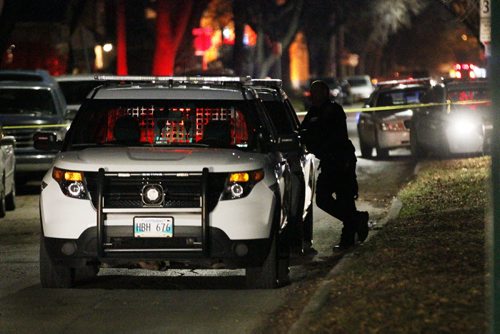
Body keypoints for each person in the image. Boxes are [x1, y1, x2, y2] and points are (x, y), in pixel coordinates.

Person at [301, 80, 369, 250]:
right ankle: (356, 220)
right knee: (323, 199)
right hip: (329, 161)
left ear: (325, 93)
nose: (314, 96)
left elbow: (334, 136)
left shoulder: (333, 110)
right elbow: (303, 132)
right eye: (312, 92)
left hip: (340, 160)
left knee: (344, 199)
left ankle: (348, 238)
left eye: (317, 92)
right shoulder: (313, 112)